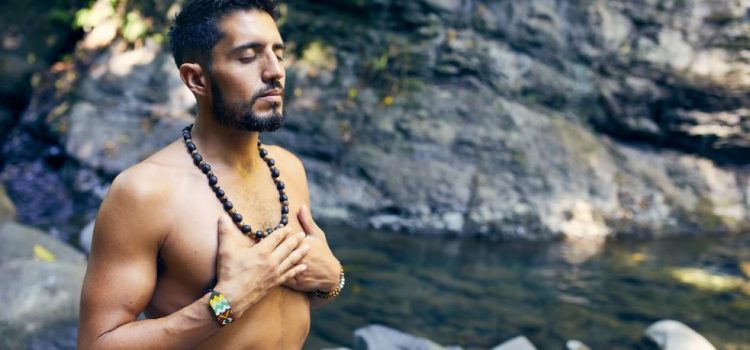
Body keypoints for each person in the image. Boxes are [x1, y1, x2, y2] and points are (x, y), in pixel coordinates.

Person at [77, 1, 344, 348]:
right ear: (197, 79)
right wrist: (223, 304)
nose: (274, 71)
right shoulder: (145, 192)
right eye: (248, 57)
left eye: (278, 53)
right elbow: (96, 343)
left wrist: (332, 279)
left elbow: (285, 303)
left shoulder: (289, 168)